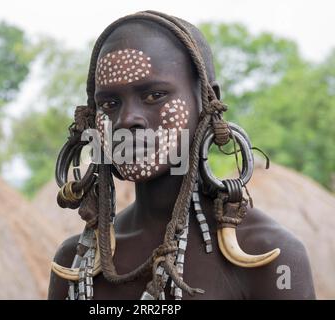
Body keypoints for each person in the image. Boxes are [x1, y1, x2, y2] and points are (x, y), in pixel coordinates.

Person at [48, 10, 315, 300]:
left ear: (207, 100)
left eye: (154, 95)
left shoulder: (267, 254)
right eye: (109, 103)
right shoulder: (73, 265)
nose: (127, 120)